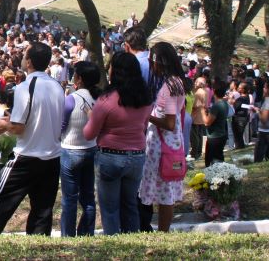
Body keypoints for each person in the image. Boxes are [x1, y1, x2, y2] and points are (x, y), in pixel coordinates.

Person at [0, 42, 64, 235]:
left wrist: (4, 125)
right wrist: (10, 120)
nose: (23, 59)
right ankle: (38, 247)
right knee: (42, 211)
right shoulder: (57, 86)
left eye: (25, 56)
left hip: (26, 156)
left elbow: (19, 127)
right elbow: (41, 118)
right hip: (51, 158)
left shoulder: (26, 87)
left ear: (30, 62)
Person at [82, 52, 152, 235]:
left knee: (110, 208)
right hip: (137, 156)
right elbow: (143, 126)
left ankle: (112, 243)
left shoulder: (106, 100)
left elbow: (89, 133)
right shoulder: (145, 98)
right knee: (130, 205)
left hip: (110, 157)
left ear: (116, 71)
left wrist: (90, 117)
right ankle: (132, 243)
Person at [138, 42, 188, 233]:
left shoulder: (170, 86)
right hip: (166, 143)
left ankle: (163, 232)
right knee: (163, 189)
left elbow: (169, 122)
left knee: (165, 191)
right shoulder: (174, 82)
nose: (151, 66)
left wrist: (146, 115)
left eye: (152, 61)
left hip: (163, 145)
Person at [60, 60, 101, 237]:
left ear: (79, 78)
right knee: (88, 197)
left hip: (70, 150)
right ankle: (87, 232)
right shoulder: (100, 99)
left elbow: (60, 126)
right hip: (91, 150)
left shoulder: (70, 99)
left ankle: (68, 235)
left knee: (69, 199)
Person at [202, 79, 229, 167]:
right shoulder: (224, 103)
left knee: (211, 162)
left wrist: (202, 111)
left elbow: (207, 123)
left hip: (214, 137)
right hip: (221, 135)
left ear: (214, 91)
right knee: (219, 159)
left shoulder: (216, 106)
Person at [189, 77, 208, 160]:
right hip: (201, 116)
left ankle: (195, 152)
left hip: (196, 116)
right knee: (200, 135)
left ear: (200, 84)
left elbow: (195, 105)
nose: (195, 83)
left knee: (195, 136)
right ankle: (199, 151)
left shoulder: (198, 93)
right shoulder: (205, 91)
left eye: (196, 82)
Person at [231, 82, 251, 149]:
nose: (238, 89)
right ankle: (240, 148)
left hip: (239, 119)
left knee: (238, 136)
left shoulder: (241, 98)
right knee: (239, 136)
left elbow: (236, 107)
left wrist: (232, 101)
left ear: (243, 89)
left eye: (239, 88)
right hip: (243, 117)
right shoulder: (247, 97)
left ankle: (239, 149)